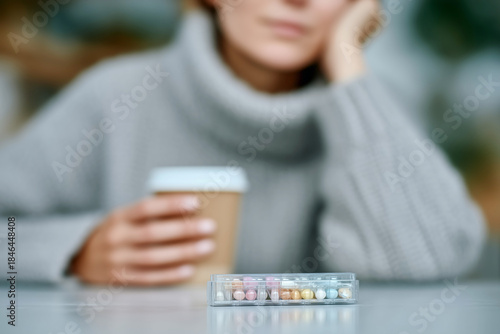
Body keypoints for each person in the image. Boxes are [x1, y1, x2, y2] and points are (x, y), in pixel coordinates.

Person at [0, 0, 485, 285]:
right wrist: (75, 252)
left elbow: (431, 261)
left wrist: (346, 63)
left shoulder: (374, 114)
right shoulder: (115, 97)